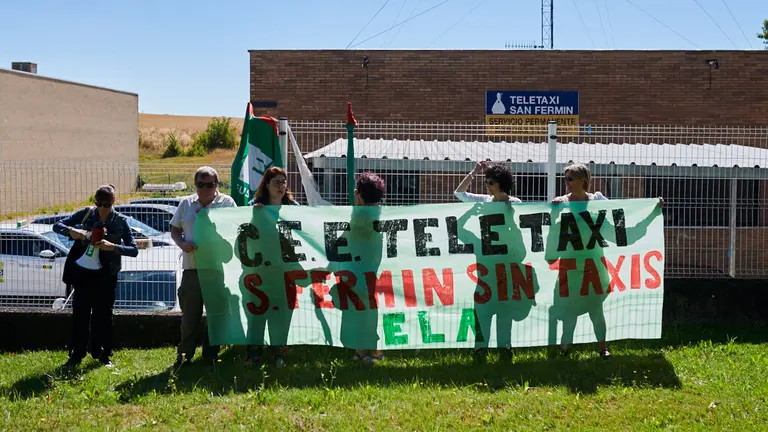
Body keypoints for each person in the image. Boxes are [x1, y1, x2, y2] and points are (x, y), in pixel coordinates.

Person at [551, 163, 664, 358]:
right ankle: (564, 348)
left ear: (583, 181)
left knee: (596, 308)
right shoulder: (561, 202)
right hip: (570, 265)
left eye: (570, 179)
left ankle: (603, 348)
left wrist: (651, 209)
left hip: (593, 264)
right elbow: (551, 227)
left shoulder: (597, 200)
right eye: (565, 178)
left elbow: (620, 212)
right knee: (569, 308)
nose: (566, 183)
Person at [55, 184, 138, 368]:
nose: (101, 208)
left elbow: (134, 250)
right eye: (98, 204)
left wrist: (113, 247)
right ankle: (76, 354)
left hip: (106, 275)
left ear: (114, 202)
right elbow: (57, 225)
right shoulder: (86, 214)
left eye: (106, 204)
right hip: (83, 273)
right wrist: (72, 231)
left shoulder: (120, 221)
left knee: (104, 316)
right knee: (80, 315)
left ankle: (103, 355)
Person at [172, 166, 237, 368]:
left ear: (217, 186)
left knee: (216, 314)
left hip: (218, 269)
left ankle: (211, 354)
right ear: (196, 185)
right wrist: (182, 244)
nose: (206, 189)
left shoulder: (227, 203)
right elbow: (175, 230)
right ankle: (185, 355)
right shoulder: (186, 204)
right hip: (192, 268)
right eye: (201, 184)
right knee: (190, 315)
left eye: (210, 185)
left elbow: (235, 229)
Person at [246, 167, 299, 368]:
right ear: (266, 184)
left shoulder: (294, 207)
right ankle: (253, 355)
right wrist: (253, 216)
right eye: (276, 182)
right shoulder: (254, 206)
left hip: (285, 272)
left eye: (284, 182)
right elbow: (245, 232)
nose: (281, 186)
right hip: (260, 271)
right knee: (258, 314)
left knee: (282, 315)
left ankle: (279, 353)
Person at [349, 172, 386, 365]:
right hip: (373, 269)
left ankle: (366, 349)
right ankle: (370, 349)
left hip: (360, 269)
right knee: (370, 308)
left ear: (359, 194)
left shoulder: (360, 215)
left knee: (363, 309)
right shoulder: (381, 213)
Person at [455, 160, 522, 203]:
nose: (487, 185)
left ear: (502, 183)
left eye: (491, 182)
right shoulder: (485, 200)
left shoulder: (515, 203)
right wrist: (474, 172)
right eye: (486, 182)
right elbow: (459, 193)